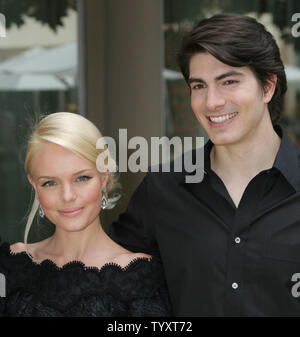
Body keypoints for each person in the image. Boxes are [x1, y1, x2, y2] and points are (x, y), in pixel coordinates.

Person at [109, 13, 300, 316]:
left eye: (228, 82)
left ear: (267, 87)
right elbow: (107, 283)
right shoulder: (162, 188)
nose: (211, 102)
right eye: (199, 86)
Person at [0, 112, 172, 317]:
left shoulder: (143, 280)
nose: (67, 196)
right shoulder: (10, 266)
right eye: (50, 183)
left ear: (104, 177)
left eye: (81, 178)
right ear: (34, 185)